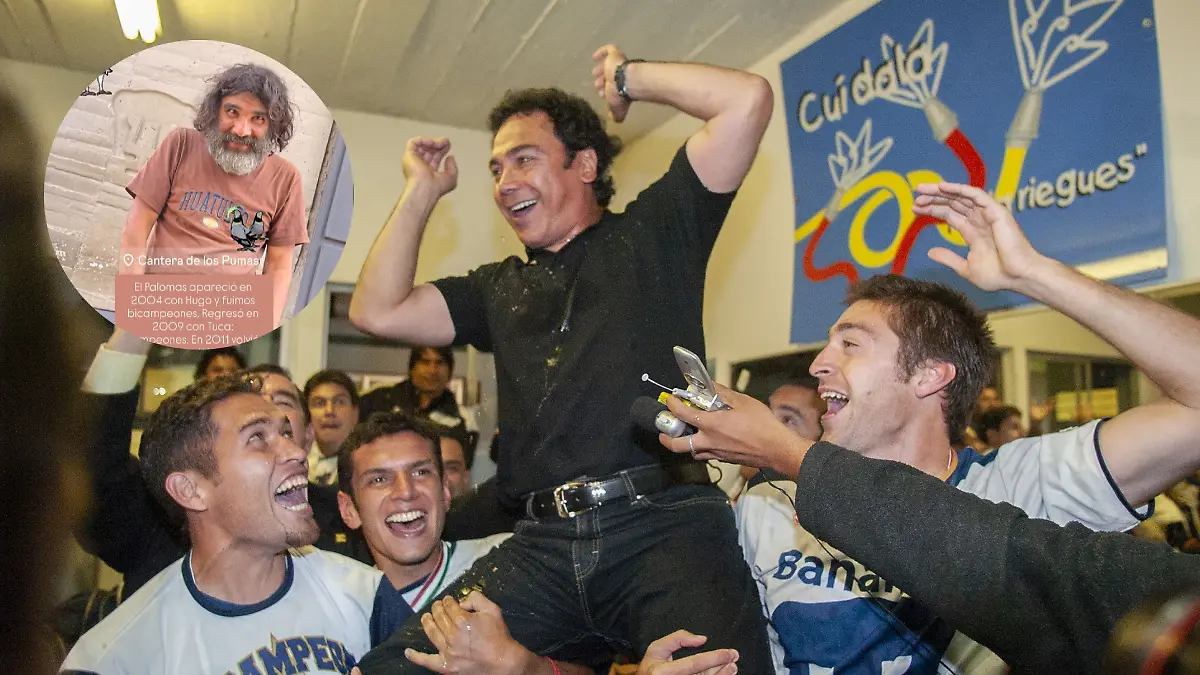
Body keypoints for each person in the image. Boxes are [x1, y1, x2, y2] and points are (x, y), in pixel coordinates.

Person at [349, 43, 774, 673]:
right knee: (391, 667)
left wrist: (630, 80)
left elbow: (748, 100)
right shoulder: (496, 288)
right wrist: (420, 191)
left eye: (524, 159)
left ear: (583, 164)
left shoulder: (655, 234)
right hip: (542, 545)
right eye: (495, 169)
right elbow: (376, 311)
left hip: (663, 529)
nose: (505, 182)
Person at [662, 180, 1200, 673]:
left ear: (929, 375)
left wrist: (1034, 274)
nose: (817, 364)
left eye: (849, 344)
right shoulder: (769, 505)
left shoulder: (1023, 483)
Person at [60, 374, 381, 674]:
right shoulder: (114, 657)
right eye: (257, 438)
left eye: (285, 432)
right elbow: (94, 463)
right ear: (190, 491)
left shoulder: (368, 596)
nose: (296, 452)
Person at [74, 329, 372, 599]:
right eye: (253, 430)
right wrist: (131, 332)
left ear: (307, 435)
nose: (262, 406)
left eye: (282, 403)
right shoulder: (161, 520)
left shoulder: (349, 519)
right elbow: (92, 464)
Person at [118, 63, 310, 325]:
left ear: (273, 126)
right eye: (232, 112)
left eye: (258, 119)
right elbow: (136, 230)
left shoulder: (286, 179)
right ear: (214, 112)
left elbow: (278, 267)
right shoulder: (181, 145)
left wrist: (263, 326)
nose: (241, 130)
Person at [305, 369, 363, 486]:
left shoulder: (368, 465)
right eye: (319, 403)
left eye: (339, 402)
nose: (329, 411)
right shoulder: (293, 464)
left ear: (355, 413)